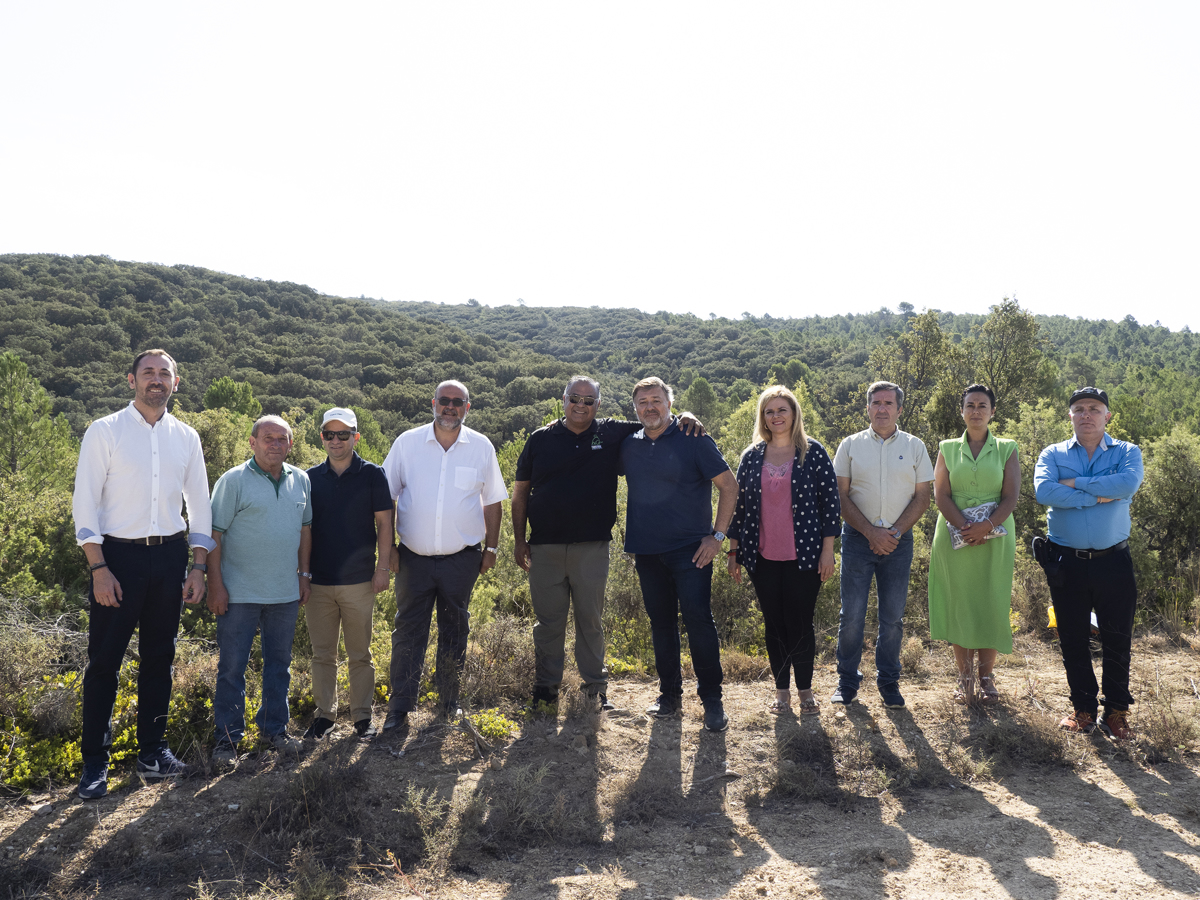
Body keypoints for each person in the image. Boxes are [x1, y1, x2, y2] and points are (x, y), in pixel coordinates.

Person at [512, 376, 705, 712]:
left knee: (590, 620)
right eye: (576, 398)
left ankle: (595, 691)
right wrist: (518, 541)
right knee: (548, 624)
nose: (581, 405)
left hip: (593, 547)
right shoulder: (540, 439)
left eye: (589, 401)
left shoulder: (613, 432)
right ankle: (546, 692)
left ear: (598, 405)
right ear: (564, 399)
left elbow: (656, 420)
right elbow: (520, 494)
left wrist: (685, 414)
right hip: (544, 547)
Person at [72, 349, 213, 799]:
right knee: (104, 664)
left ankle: (152, 754)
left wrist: (198, 566)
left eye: (164, 373)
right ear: (131, 379)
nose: (156, 380)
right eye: (148, 372)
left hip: (170, 557)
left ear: (177, 382)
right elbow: (85, 504)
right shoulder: (104, 431)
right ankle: (94, 764)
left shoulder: (186, 436)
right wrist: (98, 567)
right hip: (117, 559)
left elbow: (200, 505)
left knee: (159, 658)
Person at [381, 380, 507, 730]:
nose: (450, 407)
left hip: (461, 558)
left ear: (468, 407)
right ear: (432, 403)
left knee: (455, 628)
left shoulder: (481, 447)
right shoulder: (407, 443)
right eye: (444, 401)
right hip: (413, 558)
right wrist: (388, 547)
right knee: (408, 629)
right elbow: (385, 498)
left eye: (458, 402)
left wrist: (492, 549)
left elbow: (493, 500)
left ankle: (448, 702)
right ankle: (400, 707)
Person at [620, 376, 739, 732]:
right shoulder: (630, 444)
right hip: (647, 552)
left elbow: (730, 487)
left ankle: (712, 701)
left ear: (670, 404)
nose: (650, 407)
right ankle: (669, 697)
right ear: (636, 408)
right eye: (643, 402)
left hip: (692, 552)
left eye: (656, 400)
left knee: (699, 622)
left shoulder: (694, 439)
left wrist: (717, 537)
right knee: (661, 626)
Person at [1034, 387, 1143, 739]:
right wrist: (1101, 494)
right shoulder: (1052, 453)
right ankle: (1082, 709)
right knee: (1072, 637)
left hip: (1114, 561)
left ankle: (1116, 712)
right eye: (1079, 409)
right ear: (1070, 416)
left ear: (1107, 415)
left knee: (1117, 637)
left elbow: (1128, 483)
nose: (1086, 415)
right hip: (1067, 562)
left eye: (1094, 409)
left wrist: (1077, 486)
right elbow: (1045, 492)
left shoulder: (1127, 451)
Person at [726, 386, 840, 715]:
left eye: (782, 410)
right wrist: (734, 551)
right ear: (763, 417)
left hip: (805, 557)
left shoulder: (813, 453)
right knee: (774, 624)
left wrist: (828, 550)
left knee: (801, 624)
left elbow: (830, 505)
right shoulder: (751, 456)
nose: (776, 416)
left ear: (794, 414)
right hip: (761, 558)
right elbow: (740, 507)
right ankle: (781, 693)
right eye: (769, 411)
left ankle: (805, 692)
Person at [207, 415, 312, 764]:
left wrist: (304, 574)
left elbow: (305, 531)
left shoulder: (302, 480)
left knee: (279, 665)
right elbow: (213, 536)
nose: (275, 444)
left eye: (282, 439)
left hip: (285, 593)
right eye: (268, 438)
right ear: (252, 443)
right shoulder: (233, 481)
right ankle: (227, 742)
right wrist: (215, 585)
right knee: (232, 668)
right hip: (238, 594)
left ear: (290, 444)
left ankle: (274, 731)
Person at [831, 381, 933, 709]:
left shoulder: (915, 446)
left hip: (898, 544)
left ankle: (889, 682)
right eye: (876, 403)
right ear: (867, 408)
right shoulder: (850, 445)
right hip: (858, 540)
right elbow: (840, 496)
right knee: (852, 615)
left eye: (889, 403)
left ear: (900, 409)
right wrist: (872, 533)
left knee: (892, 618)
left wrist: (894, 533)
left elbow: (922, 497)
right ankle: (847, 681)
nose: (882, 408)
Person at [304, 408, 394, 741]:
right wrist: (302, 575)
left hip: (360, 581)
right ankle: (325, 717)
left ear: (356, 437)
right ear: (322, 437)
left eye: (344, 435)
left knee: (360, 654)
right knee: (322, 654)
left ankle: (362, 718)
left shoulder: (373, 475)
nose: (337, 441)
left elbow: (385, 524)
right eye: (330, 434)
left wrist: (382, 568)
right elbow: (304, 530)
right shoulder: (308, 478)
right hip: (319, 583)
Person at [928, 385, 1020, 704]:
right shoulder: (947, 447)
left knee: (991, 603)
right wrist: (966, 527)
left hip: (997, 536)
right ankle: (965, 678)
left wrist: (987, 525)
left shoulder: (1007, 448)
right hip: (955, 535)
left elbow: (1010, 496)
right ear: (962, 410)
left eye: (983, 405)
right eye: (970, 405)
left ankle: (987, 678)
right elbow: (940, 494)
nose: (976, 410)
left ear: (993, 411)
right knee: (961, 603)